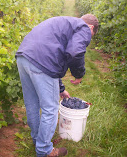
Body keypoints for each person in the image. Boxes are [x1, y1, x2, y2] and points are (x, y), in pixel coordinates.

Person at [16, 14, 99, 157]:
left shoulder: (64, 23)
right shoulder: (83, 27)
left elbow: (53, 56)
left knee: (32, 104)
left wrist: (61, 89)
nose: (88, 38)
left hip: (24, 57)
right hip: (41, 61)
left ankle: (37, 140)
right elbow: (74, 52)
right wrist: (79, 74)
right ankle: (44, 151)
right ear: (91, 27)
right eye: (91, 35)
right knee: (51, 109)